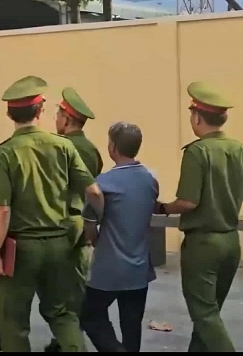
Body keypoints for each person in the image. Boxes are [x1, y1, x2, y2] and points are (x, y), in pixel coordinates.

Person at [0, 76, 103, 353]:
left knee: (13, 321)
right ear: (40, 111)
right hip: (59, 244)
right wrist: (98, 225)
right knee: (63, 314)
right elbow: (94, 191)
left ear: (9, 114)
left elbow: (2, 209)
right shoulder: (64, 146)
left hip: (20, 248)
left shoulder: (4, 153)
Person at [155, 81, 243, 352]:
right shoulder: (240, 150)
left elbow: (188, 202)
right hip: (230, 242)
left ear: (197, 117)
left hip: (202, 246)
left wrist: (163, 208)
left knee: (204, 314)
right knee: (209, 315)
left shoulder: (197, 151)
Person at [79, 122, 158, 352]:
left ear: (112, 146)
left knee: (90, 315)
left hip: (109, 267)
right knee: (132, 325)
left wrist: (94, 240)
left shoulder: (103, 183)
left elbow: (90, 224)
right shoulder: (150, 180)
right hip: (139, 267)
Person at [46, 87, 103, 352]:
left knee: (55, 295)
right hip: (83, 225)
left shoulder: (58, 147)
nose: (56, 119)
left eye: (58, 114)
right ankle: (65, 339)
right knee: (76, 289)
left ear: (67, 119)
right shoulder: (91, 149)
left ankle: (68, 343)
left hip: (59, 225)